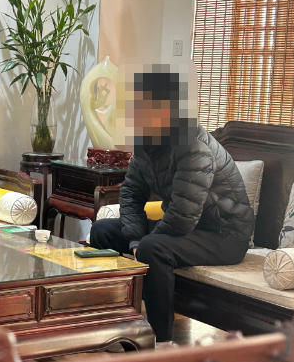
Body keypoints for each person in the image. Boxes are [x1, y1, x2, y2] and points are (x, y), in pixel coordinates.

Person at [89, 66, 254, 343]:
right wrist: (135, 239)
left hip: (224, 235)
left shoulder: (193, 146)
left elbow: (183, 214)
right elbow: (130, 194)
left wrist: (143, 244)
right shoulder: (146, 143)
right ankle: (114, 322)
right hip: (189, 229)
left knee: (153, 248)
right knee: (102, 230)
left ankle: (161, 340)